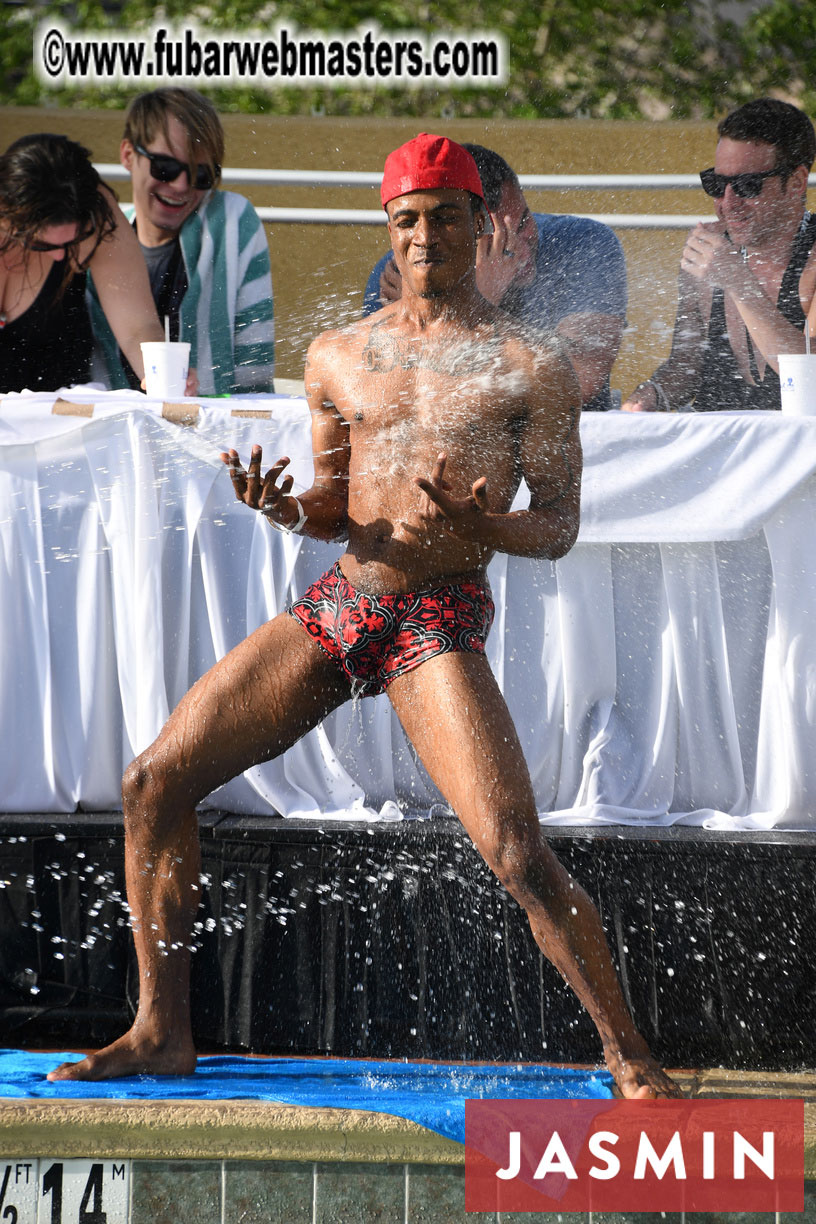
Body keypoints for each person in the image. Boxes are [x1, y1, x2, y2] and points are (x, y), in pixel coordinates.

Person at [49, 134, 678, 1099]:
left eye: (445, 216)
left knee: (515, 849)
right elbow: (335, 507)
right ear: (388, 226)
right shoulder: (340, 353)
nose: (425, 235)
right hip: (348, 599)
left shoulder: (528, 363)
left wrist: (488, 524)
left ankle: (630, 1054)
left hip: (436, 616)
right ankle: (160, 1028)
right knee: (153, 780)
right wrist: (282, 507)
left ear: (481, 223)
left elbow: (559, 526)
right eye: (407, 219)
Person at [362, 142, 627, 412]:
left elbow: (579, 380)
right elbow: (398, 405)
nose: (523, 250)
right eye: (500, 242)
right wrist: (477, 299)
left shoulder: (581, 245)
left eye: (524, 222)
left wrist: (472, 305)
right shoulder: (406, 267)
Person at [623, 98, 816, 413]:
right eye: (716, 183)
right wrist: (653, 394)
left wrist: (738, 283)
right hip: (721, 454)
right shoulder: (711, 254)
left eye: (748, 185)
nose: (727, 202)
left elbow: (812, 379)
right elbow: (686, 366)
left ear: (795, 183)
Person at [90, 88, 275, 396]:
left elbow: (255, 373)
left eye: (201, 175)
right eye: (166, 167)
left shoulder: (231, 223)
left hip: (211, 437)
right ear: (127, 154)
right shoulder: (95, 237)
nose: (181, 186)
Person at [0, 133, 166, 394]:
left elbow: (137, 327)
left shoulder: (96, 212)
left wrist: (161, 376)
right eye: (40, 245)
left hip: (65, 403)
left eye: (71, 243)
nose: (58, 257)